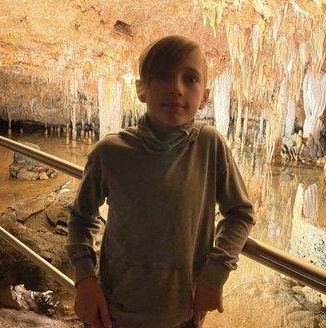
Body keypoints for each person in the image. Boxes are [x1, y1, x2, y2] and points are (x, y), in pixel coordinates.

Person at [66, 35, 255, 328]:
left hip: (183, 312)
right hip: (116, 310)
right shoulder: (111, 152)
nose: (176, 89)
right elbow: (81, 218)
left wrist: (214, 274)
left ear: (204, 95)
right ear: (141, 89)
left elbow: (240, 214)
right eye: (163, 76)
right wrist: (86, 280)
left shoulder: (210, 146)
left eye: (190, 79)